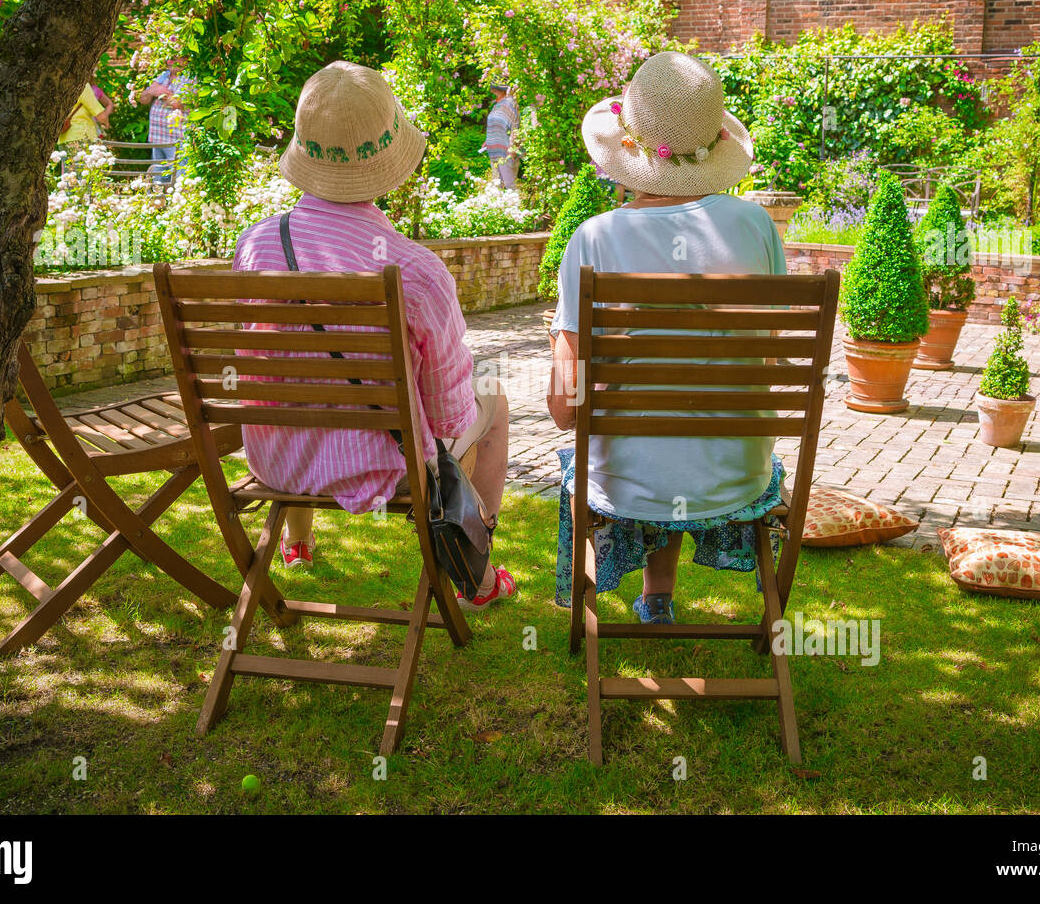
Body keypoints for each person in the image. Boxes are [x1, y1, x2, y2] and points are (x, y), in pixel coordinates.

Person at [231, 61, 516, 610]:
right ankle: (477, 572)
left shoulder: (256, 246)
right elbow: (450, 415)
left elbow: (265, 361)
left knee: (307, 388)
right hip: (383, 464)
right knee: (495, 400)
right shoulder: (415, 271)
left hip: (276, 457)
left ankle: (298, 546)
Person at [546, 51, 787, 626]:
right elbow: (773, 360)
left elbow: (562, 409)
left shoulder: (594, 238)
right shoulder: (756, 226)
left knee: (643, 448)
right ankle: (657, 599)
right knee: (677, 437)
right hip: (737, 475)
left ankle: (652, 600)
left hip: (628, 482)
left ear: (625, 147)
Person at [139, 58, 193, 184]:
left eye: (174, 58)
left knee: (178, 181)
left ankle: (177, 204)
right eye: (168, 58)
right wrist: (153, 91)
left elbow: (176, 102)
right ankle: (159, 204)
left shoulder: (189, 78)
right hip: (157, 138)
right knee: (158, 181)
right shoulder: (163, 76)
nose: (169, 61)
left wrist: (157, 92)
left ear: (185, 59)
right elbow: (143, 98)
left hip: (177, 140)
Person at [483, 83, 520, 189]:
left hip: (506, 152)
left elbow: (515, 126)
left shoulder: (511, 104)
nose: (492, 90)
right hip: (493, 151)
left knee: (509, 186)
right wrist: (487, 140)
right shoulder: (497, 105)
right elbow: (495, 124)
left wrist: (512, 148)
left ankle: (514, 205)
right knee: (497, 186)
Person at [58, 75, 110, 148]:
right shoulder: (82, 86)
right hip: (82, 136)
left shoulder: (59, 86)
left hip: (62, 138)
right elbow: (101, 116)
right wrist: (106, 124)